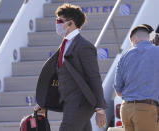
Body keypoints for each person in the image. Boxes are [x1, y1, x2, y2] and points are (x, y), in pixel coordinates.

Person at [35, 3, 107, 131]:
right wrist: (44, 102)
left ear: (70, 23)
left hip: (81, 103)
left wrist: (99, 109)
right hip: (68, 102)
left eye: (59, 21)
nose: (57, 24)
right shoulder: (65, 45)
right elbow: (57, 77)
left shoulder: (84, 46)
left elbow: (94, 77)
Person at [114, 24, 159, 131]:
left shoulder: (124, 57)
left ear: (134, 39)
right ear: (148, 37)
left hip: (125, 110)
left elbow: (118, 91)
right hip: (146, 109)